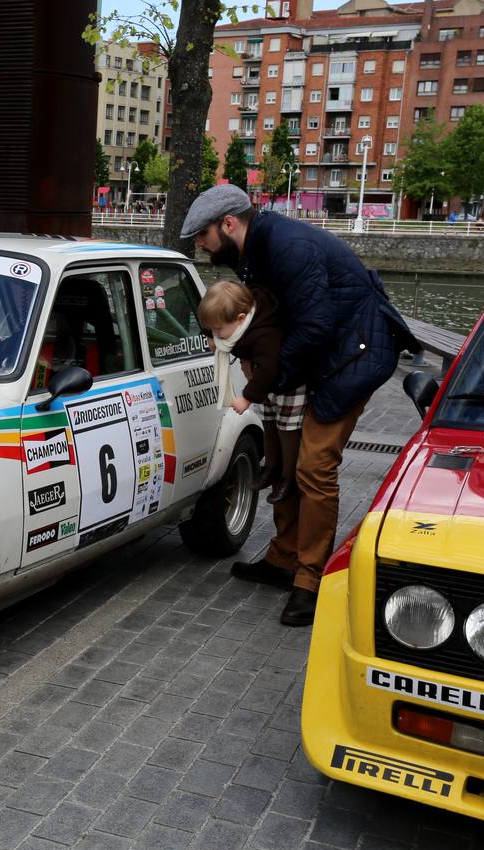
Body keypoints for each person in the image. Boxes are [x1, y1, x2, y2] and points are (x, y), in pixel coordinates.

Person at [180, 184, 418, 627]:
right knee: (282, 462)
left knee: (312, 466)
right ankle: (283, 557)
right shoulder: (256, 250)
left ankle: (310, 580)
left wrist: (269, 377)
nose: (199, 244)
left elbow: (315, 325)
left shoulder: (287, 248)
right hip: (319, 360)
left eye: (202, 235)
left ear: (228, 224)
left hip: (355, 358)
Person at [198, 280, 304, 505]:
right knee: (267, 423)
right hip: (267, 385)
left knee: (287, 429)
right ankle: (272, 467)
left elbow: (268, 370)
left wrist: (246, 397)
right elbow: (211, 324)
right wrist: (210, 334)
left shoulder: (264, 334)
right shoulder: (237, 326)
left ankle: (289, 477)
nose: (215, 335)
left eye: (218, 330)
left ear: (240, 320)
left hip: (288, 384)